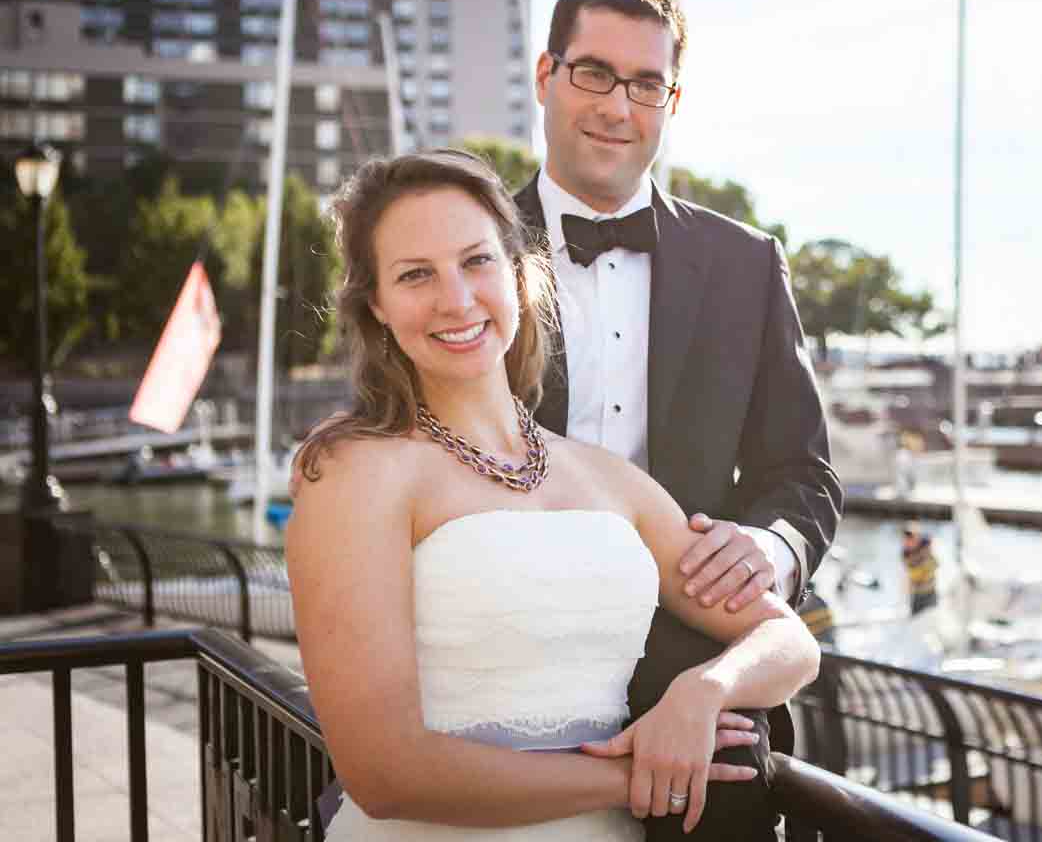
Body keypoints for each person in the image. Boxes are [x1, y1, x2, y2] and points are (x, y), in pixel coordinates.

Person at [285, 149, 821, 839]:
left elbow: (787, 639)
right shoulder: (356, 474)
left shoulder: (606, 479)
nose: (456, 298)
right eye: (416, 275)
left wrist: (707, 689)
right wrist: (635, 776)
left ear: (518, 277)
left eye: (476, 262)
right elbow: (384, 773)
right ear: (378, 308)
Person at [513, 0, 842, 840]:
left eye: (646, 84)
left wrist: (769, 549)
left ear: (672, 99)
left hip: (706, 712)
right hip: (505, 684)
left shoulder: (746, 263)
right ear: (546, 75)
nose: (619, 107)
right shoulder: (468, 254)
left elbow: (802, 474)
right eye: (593, 73)